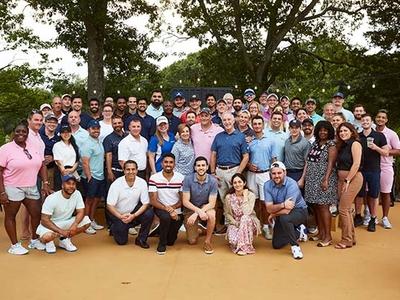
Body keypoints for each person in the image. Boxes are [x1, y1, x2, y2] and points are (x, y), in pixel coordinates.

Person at [0, 123, 50, 255]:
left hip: (31, 185)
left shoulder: (33, 147)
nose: (21, 134)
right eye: (18, 131)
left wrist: (45, 182)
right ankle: (14, 245)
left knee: (36, 213)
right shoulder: (5, 149)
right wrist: (2, 192)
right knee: (11, 216)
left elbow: (42, 166)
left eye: (24, 131)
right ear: (13, 133)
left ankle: (34, 239)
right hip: (12, 186)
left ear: (27, 133)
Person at [299, 121, 337, 247]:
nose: (323, 132)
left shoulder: (331, 145)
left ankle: (328, 236)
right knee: (315, 207)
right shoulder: (315, 143)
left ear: (329, 131)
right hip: (312, 180)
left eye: (325, 130)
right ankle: (321, 233)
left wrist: (325, 179)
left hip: (323, 180)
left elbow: (331, 164)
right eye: (320, 130)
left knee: (323, 207)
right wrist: (305, 178)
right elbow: (308, 162)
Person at [210, 112, 249, 233]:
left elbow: (246, 156)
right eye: (224, 120)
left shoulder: (240, 136)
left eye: (229, 120)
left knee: (236, 199)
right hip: (220, 171)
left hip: (234, 169)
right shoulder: (218, 136)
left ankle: (238, 224)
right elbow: (213, 155)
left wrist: (238, 173)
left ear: (233, 121)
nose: (227, 122)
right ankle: (229, 225)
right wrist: (212, 172)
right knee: (224, 199)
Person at [264, 162, 308, 259]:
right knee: (277, 244)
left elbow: (287, 210)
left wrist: (273, 214)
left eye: (279, 173)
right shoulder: (267, 185)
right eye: (274, 173)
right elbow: (268, 208)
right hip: (282, 210)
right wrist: (282, 205)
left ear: (285, 173)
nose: (276, 176)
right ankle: (299, 232)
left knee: (285, 218)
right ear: (270, 174)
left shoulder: (292, 184)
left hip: (299, 211)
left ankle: (295, 247)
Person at [37, 174, 91, 253]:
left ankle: (63, 240)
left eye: (73, 184)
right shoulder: (52, 198)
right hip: (51, 225)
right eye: (68, 183)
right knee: (47, 237)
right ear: (62, 185)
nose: (71, 186)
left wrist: (75, 224)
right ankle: (49, 242)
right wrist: (61, 232)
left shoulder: (77, 193)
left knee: (87, 222)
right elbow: (44, 220)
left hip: (66, 221)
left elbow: (81, 211)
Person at [107, 160, 154, 247]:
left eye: (133, 169)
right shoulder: (116, 184)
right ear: (124, 171)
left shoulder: (142, 182)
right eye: (128, 169)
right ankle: (114, 228)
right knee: (122, 242)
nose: (131, 172)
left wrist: (134, 215)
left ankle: (141, 239)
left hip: (133, 213)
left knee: (149, 213)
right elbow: (109, 205)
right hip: (119, 215)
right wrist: (120, 216)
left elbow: (145, 203)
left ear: (137, 170)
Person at [354, 113, 388, 232]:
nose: (365, 122)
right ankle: (358, 216)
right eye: (363, 120)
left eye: (367, 120)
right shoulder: (357, 136)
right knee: (359, 194)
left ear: (371, 121)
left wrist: (376, 148)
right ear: (361, 122)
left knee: (373, 195)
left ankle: (373, 218)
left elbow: (386, 152)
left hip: (374, 170)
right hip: (360, 170)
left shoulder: (379, 136)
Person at [247, 115, 277, 240]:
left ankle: (266, 226)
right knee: (253, 202)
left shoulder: (270, 140)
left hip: (265, 174)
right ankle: (255, 224)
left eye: (259, 123)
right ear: (252, 125)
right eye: (255, 124)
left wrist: (274, 175)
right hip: (251, 175)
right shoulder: (249, 141)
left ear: (263, 125)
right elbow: (244, 158)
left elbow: (274, 159)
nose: (257, 126)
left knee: (265, 203)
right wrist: (249, 165)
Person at [149, 153, 184, 255]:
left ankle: (161, 231)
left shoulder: (180, 178)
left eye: (171, 162)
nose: (168, 164)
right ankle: (161, 243)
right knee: (165, 217)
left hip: (176, 208)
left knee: (171, 241)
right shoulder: (154, 178)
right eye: (166, 162)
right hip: (160, 208)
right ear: (161, 164)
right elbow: (153, 200)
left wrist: (172, 209)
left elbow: (183, 200)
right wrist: (167, 209)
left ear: (174, 164)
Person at [335, 123, 363, 249]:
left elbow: (356, 164)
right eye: (340, 131)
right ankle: (351, 237)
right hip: (342, 179)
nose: (342, 133)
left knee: (343, 208)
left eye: (345, 130)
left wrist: (347, 181)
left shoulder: (355, 144)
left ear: (352, 131)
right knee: (347, 209)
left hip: (353, 178)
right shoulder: (342, 145)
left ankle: (346, 240)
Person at [182, 156, 217, 254]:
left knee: (212, 215)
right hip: (190, 208)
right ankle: (201, 229)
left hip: (206, 207)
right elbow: (185, 201)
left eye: (203, 165)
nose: (201, 168)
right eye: (198, 165)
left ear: (207, 167)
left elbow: (212, 203)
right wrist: (197, 211)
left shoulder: (213, 181)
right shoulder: (188, 179)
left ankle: (207, 241)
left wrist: (198, 213)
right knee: (192, 241)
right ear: (195, 168)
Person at [224, 173, 261, 255]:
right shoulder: (228, 197)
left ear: (244, 183)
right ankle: (241, 244)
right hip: (235, 223)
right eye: (235, 183)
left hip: (249, 222)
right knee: (233, 240)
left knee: (244, 217)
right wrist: (235, 223)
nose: (237, 184)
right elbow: (227, 214)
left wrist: (244, 196)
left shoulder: (250, 195)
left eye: (240, 182)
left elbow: (247, 212)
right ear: (232, 184)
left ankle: (245, 248)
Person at [375, 109, 400, 228]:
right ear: (375, 118)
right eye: (378, 117)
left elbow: (398, 150)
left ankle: (385, 217)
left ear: (386, 120)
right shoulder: (370, 131)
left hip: (386, 166)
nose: (380, 119)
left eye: (383, 118)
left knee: (386, 193)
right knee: (370, 193)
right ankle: (371, 216)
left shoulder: (391, 134)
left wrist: (385, 151)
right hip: (371, 166)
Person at [80, 119, 105, 234]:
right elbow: (85, 162)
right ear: (88, 130)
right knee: (89, 200)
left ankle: (91, 219)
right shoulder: (86, 143)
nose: (96, 130)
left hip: (100, 176)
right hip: (91, 177)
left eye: (97, 128)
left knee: (96, 199)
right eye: (93, 128)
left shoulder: (98, 141)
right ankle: (85, 224)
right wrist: (89, 176)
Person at [53, 125, 80, 191]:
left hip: (73, 171)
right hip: (61, 172)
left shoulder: (74, 145)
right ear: (60, 134)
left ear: (71, 133)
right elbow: (59, 162)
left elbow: (77, 159)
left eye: (68, 132)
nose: (66, 134)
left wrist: (72, 169)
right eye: (63, 132)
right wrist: (64, 172)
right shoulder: (57, 145)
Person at [40, 114, 60, 190]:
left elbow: (63, 153)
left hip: (51, 168)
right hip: (37, 168)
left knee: (49, 191)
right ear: (45, 122)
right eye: (49, 122)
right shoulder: (39, 135)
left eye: (54, 122)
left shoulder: (58, 138)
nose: (52, 124)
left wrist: (53, 158)